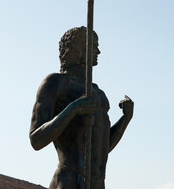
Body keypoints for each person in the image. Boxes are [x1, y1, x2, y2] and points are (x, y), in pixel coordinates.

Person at [29, 26, 134, 189]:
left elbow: (102, 148)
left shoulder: (98, 93)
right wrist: (73, 109)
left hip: (97, 183)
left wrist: (125, 119)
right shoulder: (55, 83)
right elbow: (36, 140)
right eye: (93, 45)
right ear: (78, 48)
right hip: (69, 180)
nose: (98, 51)